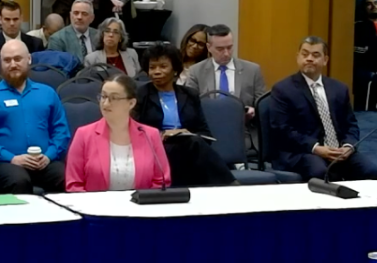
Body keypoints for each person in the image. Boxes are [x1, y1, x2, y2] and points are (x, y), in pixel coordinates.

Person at [269, 36, 377, 182]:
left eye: (315, 55)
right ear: (298, 57)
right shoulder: (283, 90)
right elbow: (282, 130)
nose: (309, 59)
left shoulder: (339, 89)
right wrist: (316, 148)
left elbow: (351, 124)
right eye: (305, 54)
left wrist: (348, 146)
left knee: (372, 173)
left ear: (325, 60)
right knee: (323, 173)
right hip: (303, 152)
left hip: (339, 151)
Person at [0, 40, 71, 194]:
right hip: (6, 163)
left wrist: (49, 156)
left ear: (29, 59)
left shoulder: (47, 93)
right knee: (19, 180)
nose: (13, 64)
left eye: (18, 59)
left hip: (45, 161)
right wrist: (13, 158)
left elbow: (61, 131)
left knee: (66, 176)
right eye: (7, 60)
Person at [135, 43, 236, 187]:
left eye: (163, 66)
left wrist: (186, 133)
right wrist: (163, 134)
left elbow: (205, 133)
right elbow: (134, 131)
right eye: (152, 67)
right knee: (193, 144)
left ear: (175, 69)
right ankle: (230, 185)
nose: (156, 72)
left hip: (187, 149)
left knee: (193, 143)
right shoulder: (140, 95)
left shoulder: (190, 95)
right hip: (156, 148)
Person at [66, 75, 170, 192]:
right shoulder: (83, 135)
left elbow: (161, 181)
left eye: (113, 98)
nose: (105, 104)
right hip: (95, 208)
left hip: (141, 207)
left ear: (131, 103)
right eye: (103, 97)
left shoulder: (150, 135)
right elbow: (74, 184)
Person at [186, 24, 266, 121]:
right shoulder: (196, 71)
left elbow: (263, 106)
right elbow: (190, 106)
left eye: (229, 47)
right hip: (208, 128)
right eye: (220, 49)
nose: (226, 53)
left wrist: (253, 111)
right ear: (209, 47)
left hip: (244, 128)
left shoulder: (252, 70)